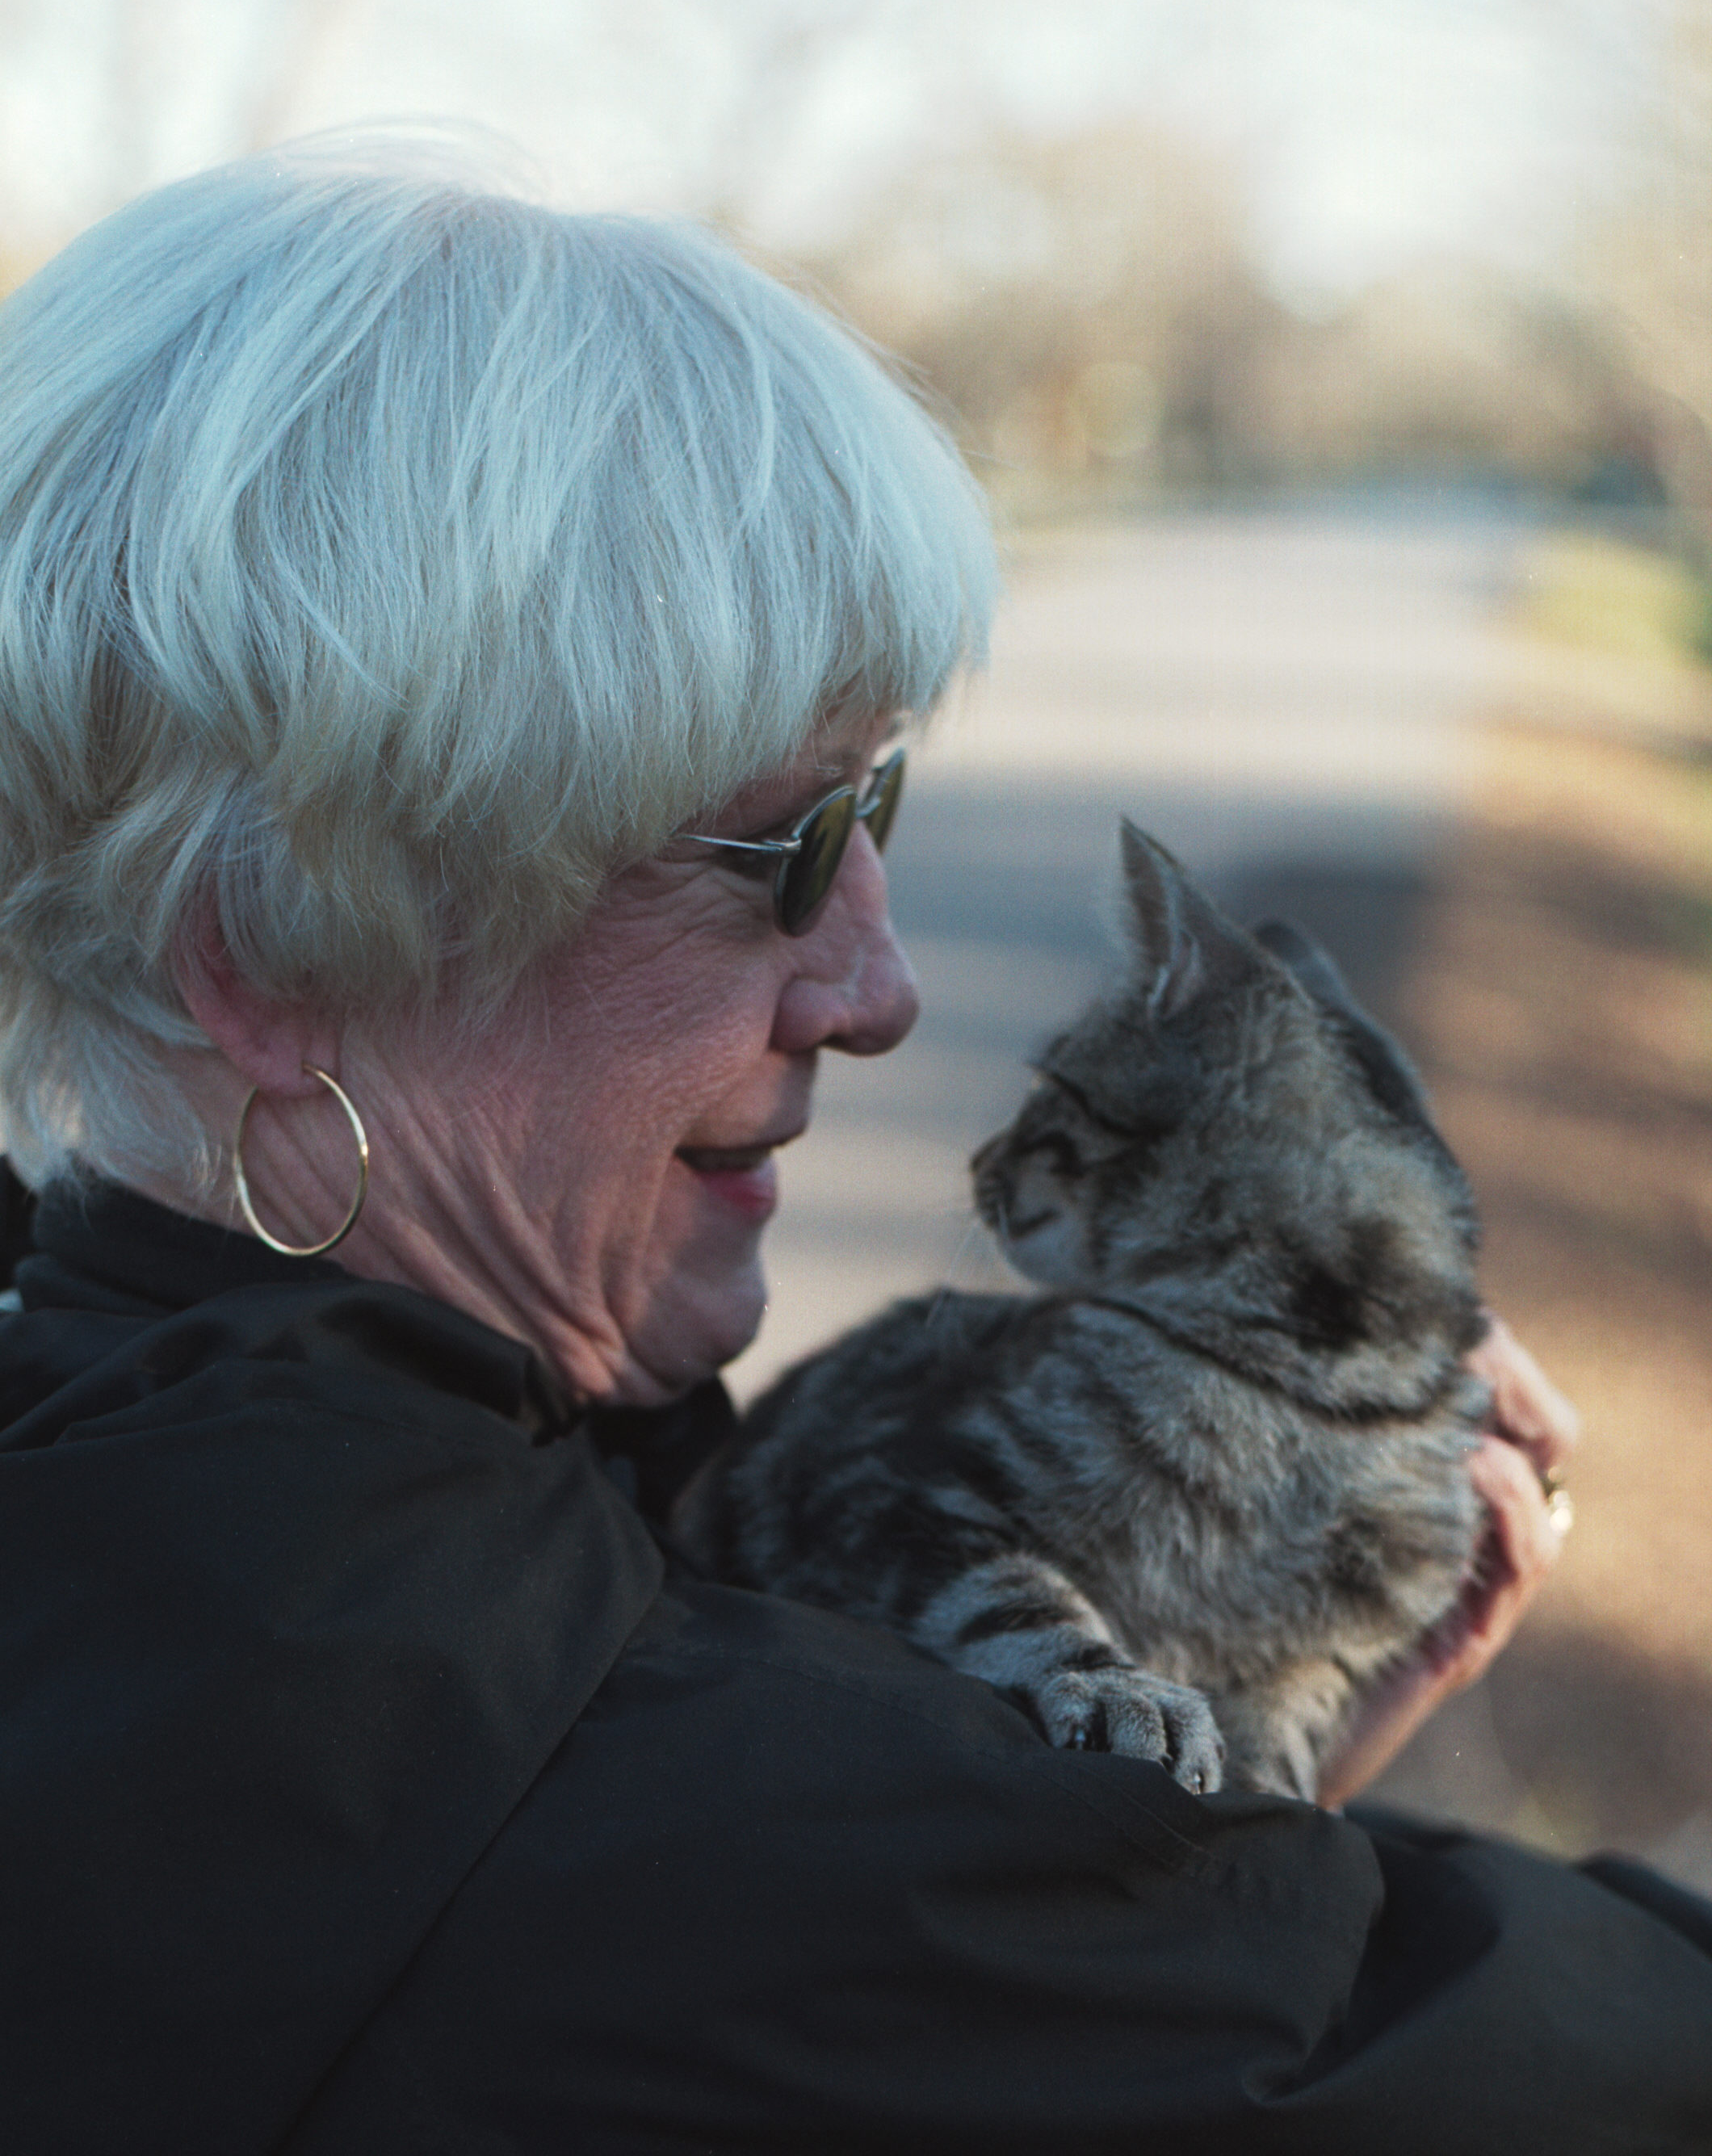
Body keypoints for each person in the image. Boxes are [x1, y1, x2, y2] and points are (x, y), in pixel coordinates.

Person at [0, 138, 1706, 2156]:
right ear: (267, 965)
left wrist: (1253, 1744)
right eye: (787, 843)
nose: (875, 981)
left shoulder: (141, 1470)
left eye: (885, 807)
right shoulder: (620, 1810)